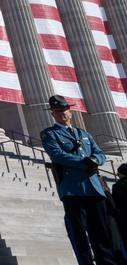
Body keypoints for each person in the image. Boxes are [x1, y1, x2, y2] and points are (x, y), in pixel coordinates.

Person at [41, 94, 116, 265]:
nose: (61, 113)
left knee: (101, 232)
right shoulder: (49, 134)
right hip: (72, 189)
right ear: (52, 114)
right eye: (57, 111)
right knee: (79, 233)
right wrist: (84, 163)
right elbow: (58, 155)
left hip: (93, 188)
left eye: (63, 110)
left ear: (70, 112)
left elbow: (100, 153)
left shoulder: (84, 134)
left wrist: (96, 160)